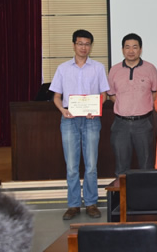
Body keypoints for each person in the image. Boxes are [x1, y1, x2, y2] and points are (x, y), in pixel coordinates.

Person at [49, 29, 109, 220]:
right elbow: (56, 97)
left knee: (91, 165)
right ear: (74, 44)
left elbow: (104, 95)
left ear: (91, 46)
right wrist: (62, 110)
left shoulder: (98, 68)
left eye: (87, 44)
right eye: (80, 43)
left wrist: (96, 108)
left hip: (91, 120)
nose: (84, 47)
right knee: (72, 166)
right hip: (69, 119)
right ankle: (73, 204)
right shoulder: (63, 68)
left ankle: (91, 203)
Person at [107, 33, 157, 177]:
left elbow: (156, 92)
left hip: (144, 123)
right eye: (127, 47)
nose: (131, 51)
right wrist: (124, 106)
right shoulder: (114, 70)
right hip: (120, 124)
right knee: (121, 166)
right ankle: (123, 193)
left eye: (135, 47)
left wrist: (141, 105)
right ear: (122, 49)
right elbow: (111, 94)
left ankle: (146, 192)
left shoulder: (150, 68)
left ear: (140, 49)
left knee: (146, 164)